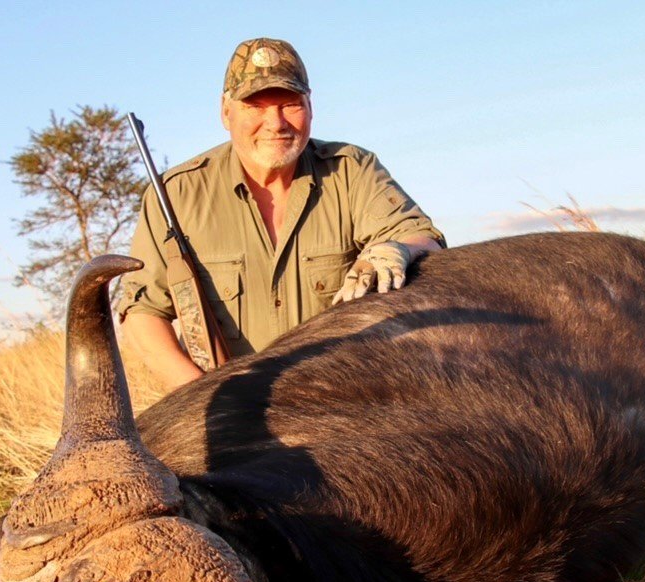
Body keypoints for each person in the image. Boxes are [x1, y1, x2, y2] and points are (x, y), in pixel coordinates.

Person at [118, 37, 445, 390]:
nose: (275, 123)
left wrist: (398, 249)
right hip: (227, 407)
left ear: (310, 106)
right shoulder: (175, 194)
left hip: (347, 402)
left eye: (290, 104)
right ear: (225, 111)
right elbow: (143, 314)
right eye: (255, 105)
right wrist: (203, 398)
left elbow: (423, 238)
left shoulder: (352, 170)